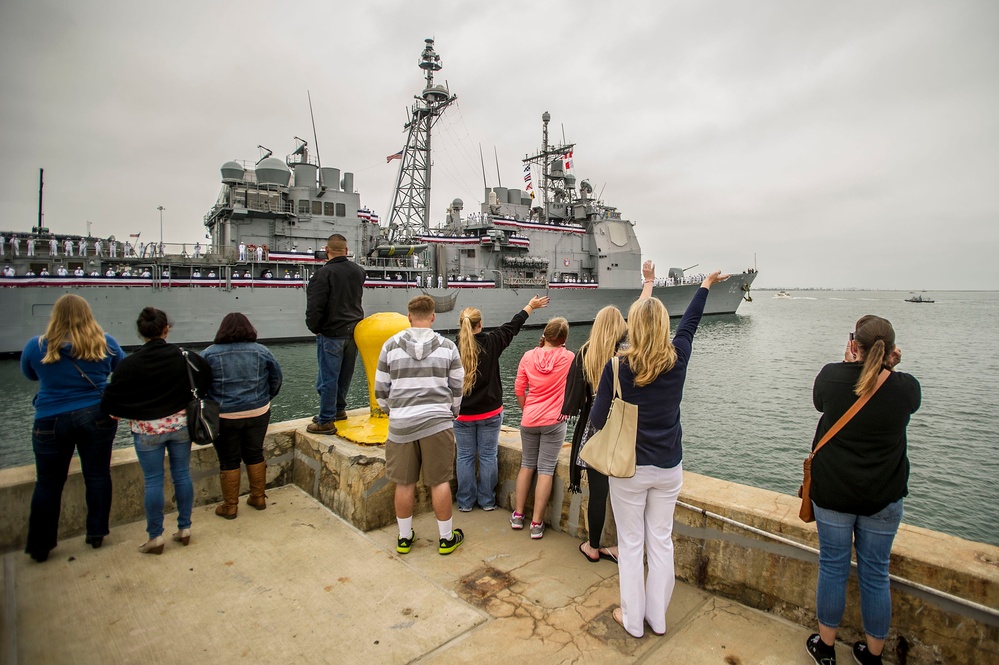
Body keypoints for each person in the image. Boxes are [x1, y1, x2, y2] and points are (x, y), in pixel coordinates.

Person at [590, 270, 728, 638]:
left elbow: (596, 418)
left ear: (631, 326)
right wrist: (705, 286)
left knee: (632, 545)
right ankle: (658, 617)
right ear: (665, 325)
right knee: (661, 541)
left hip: (630, 470)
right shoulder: (678, 358)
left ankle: (633, 620)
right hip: (668, 467)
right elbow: (692, 322)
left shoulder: (617, 366)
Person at [805, 316, 919, 665]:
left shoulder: (831, 376)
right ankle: (872, 655)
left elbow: (820, 403)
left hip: (834, 495)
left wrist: (848, 364)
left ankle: (825, 648)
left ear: (854, 345)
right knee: (875, 573)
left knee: (834, 567)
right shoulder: (906, 388)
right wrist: (888, 368)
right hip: (883, 497)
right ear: (889, 351)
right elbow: (900, 398)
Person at [20, 294, 125, 562]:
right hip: (97, 415)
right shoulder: (105, 342)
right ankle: (96, 534)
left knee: (47, 483)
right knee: (98, 475)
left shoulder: (36, 346)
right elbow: (122, 369)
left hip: (50, 418)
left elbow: (30, 374)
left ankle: (40, 546)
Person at [101, 308, 212, 555]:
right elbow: (205, 376)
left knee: (153, 481)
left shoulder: (129, 364)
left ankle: (155, 536)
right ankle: (184, 528)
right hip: (180, 426)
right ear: (166, 329)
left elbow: (110, 400)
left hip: (146, 430)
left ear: (141, 332)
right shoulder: (184, 356)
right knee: (182, 475)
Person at [375, 295, 465, 556]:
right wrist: (452, 411)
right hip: (437, 423)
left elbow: (381, 389)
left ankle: (404, 538)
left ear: (409, 316)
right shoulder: (448, 347)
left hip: (401, 424)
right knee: (439, 482)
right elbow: (457, 386)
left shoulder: (390, 346)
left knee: (404, 483)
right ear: (433, 316)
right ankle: (446, 539)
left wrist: (394, 412)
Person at [454, 295, 549, 513]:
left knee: (465, 456)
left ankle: (466, 502)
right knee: (488, 455)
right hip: (490, 412)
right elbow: (513, 326)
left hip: (462, 414)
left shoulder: (452, 348)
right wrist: (530, 306)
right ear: (480, 324)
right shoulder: (493, 342)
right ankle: (487, 501)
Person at [200, 313, 282, 519]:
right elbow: (276, 379)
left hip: (224, 415)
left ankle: (230, 506)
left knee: (229, 459)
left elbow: (199, 385)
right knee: (255, 453)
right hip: (257, 412)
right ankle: (258, 497)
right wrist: (264, 398)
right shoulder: (262, 351)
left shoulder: (209, 354)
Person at [511, 317, 574, 539]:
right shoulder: (568, 358)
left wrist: (526, 410)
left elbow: (519, 388)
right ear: (563, 339)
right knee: (545, 470)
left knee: (527, 465)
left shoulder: (528, 356)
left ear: (545, 335)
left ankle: (518, 515)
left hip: (529, 419)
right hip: (554, 421)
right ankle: (536, 524)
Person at [305, 233, 365, 434]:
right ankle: (338, 410)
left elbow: (315, 307)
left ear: (326, 250)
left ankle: (326, 419)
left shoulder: (322, 274)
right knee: (345, 375)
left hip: (332, 333)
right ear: (347, 251)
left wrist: (316, 328)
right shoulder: (359, 271)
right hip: (354, 332)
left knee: (328, 378)